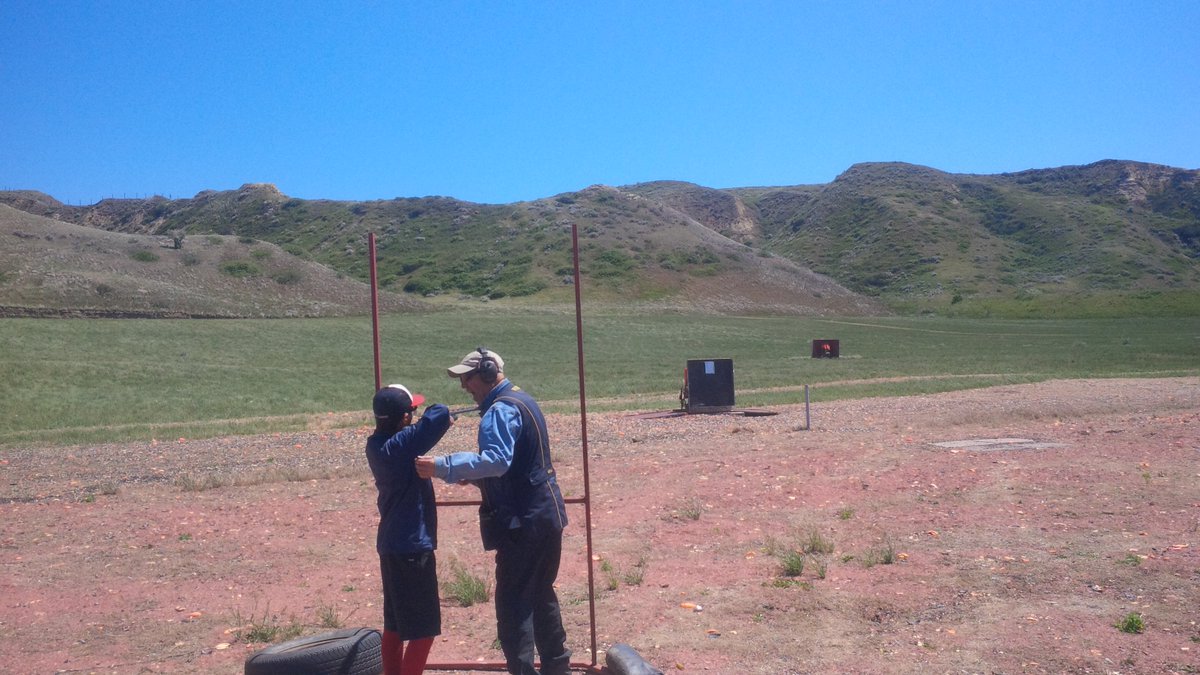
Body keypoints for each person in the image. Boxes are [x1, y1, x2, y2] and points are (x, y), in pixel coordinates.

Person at [415, 348, 570, 675]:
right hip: (545, 516)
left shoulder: (499, 411)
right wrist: (474, 478)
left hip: (522, 523)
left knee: (513, 607)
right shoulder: (522, 400)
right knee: (542, 596)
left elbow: (497, 461)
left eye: (466, 378)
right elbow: (519, 466)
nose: (464, 387)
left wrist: (445, 467)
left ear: (485, 374)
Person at [366, 384, 453, 675]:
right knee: (423, 631)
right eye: (411, 412)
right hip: (412, 547)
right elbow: (439, 413)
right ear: (403, 418)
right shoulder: (401, 445)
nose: (414, 416)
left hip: (391, 546)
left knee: (394, 626)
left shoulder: (376, 445)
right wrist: (427, 420)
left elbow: (425, 428)